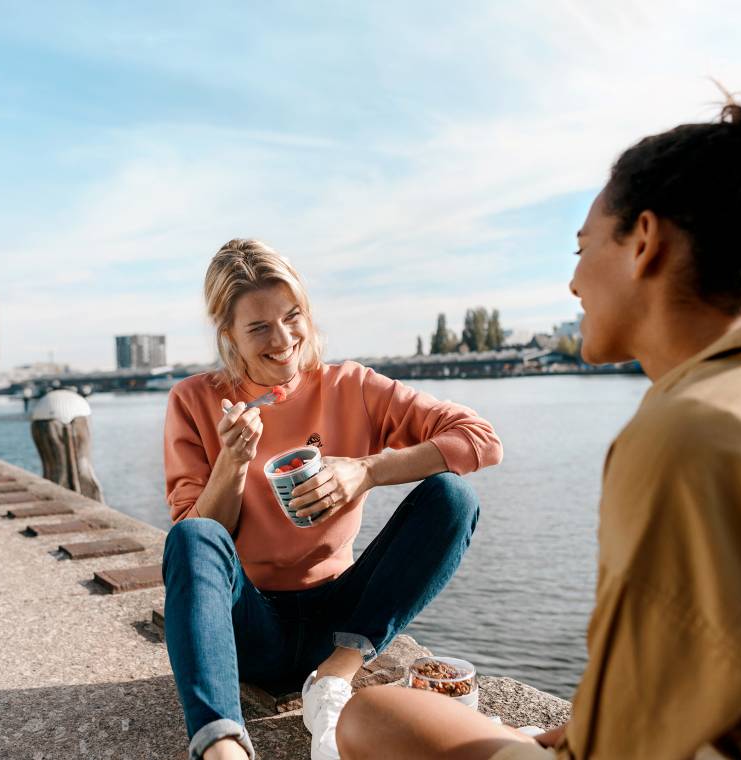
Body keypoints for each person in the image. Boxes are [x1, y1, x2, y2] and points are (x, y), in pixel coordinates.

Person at [337, 61, 741, 759]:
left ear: (644, 241)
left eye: (582, 248)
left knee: (376, 718)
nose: (574, 280)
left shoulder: (693, 433)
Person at [162, 238, 503, 760]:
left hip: (340, 624)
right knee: (191, 534)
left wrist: (366, 472)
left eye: (292, 316)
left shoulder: (353, 387)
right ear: (227, 333)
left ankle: (331, 681)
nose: (283, 339)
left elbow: (481, 440)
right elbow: (195, 544)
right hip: (247, 629)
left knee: (453, 497)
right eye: (258, 327)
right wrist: (231, 462)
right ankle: (222, 748)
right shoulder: (194, 401)